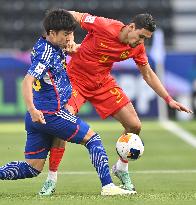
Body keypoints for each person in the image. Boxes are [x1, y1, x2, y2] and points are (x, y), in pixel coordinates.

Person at [39, 11, 193, 196]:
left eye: (146, 39)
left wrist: (168, 99)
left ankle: (121, 168)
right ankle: (51, 179)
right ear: (131, 27)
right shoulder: (104, 25)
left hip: (102, 82)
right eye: (141, 36)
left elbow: (148, 74)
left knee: (134, 125)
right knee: (64, 123)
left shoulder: (137, 47)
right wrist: (70, 38)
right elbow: (71, 15)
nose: (141, 42)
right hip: (75, 81)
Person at [0, 9, 135, 196]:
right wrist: (31, 109)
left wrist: (72, 45)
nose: (69, 37)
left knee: (32, 168)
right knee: (93, 139)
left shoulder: (48, 44)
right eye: (66, 34)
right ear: (52, 33)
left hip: (39, 117)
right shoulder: (46, 54)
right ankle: (108, 186)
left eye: (71, 33)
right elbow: (27, 80)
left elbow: (67, 50)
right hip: (51, 113)